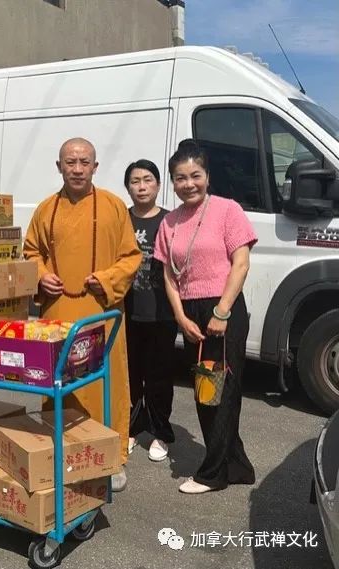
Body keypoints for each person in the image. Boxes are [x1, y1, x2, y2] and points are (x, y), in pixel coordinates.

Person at [23, 138, 142, 492]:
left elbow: (131, 257)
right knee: (61, 383)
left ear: (95, 166)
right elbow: (31, 251)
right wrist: (41, 274)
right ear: (58, 166)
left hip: (101, 312)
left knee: (105, 385)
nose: (77, 168)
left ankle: (110, 457)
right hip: (58, 311)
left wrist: (106, 279)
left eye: (84, 162)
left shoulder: (114, 206)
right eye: (70, 162)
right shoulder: (46, 209)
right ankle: (58, 451)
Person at [154, 139, 257, 494]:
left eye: (195, 175)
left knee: (222, 392)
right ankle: (237, 465)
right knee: (205, 389)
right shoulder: (170, 222)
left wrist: (222, 311)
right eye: (180, 178)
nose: (188, 184)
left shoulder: (228, 210)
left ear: (207, 176)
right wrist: (181, 318)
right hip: (192, 311)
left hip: (223, 308)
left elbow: (240, 264)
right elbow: (169, 275)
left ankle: (212, 474)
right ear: (173, 181)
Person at [124, 159, 178, 462]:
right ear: (128, 187)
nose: (141, 186)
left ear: (158, 185)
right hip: (127, 311)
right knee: (130, 373)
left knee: (159, 376)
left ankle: (160, 431)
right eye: (135, 181)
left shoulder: (171, 221)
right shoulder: (121, 218)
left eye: (147, 180)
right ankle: (131, 428)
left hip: (162, 313)